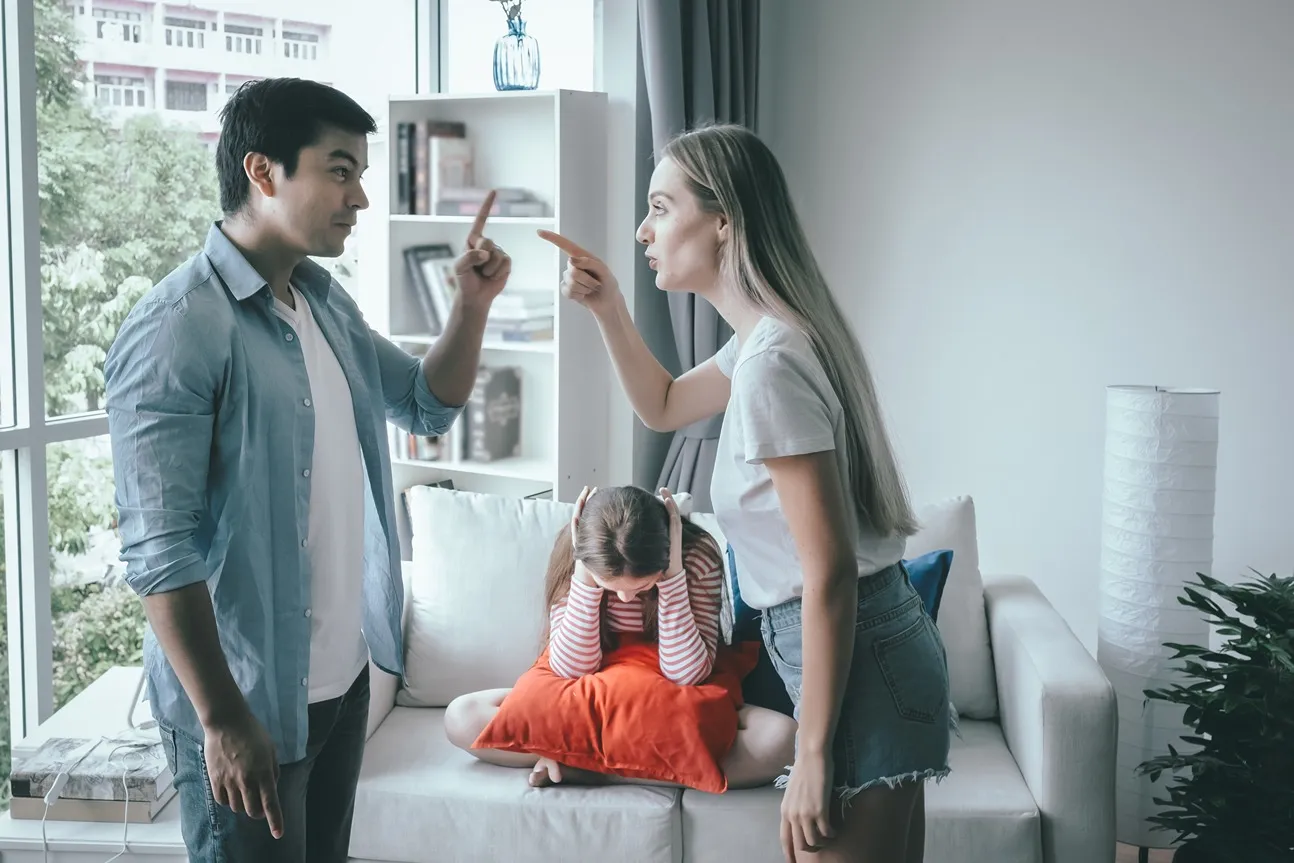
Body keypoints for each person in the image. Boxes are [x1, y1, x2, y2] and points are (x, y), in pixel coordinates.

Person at [103, 78, 510, 863]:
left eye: (360, 174)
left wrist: (471, 305)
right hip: (245, 707)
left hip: (343, 685)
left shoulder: (325, 303)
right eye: (340, 171)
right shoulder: (179, 326)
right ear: (262, 172)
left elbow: (426, 404)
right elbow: (159, 552)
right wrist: (222, 718)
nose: (360, 198)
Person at [538, 124, 952, 863]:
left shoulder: (771, 365)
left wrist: (814, 753)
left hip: (854, 655)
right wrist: (608, 308)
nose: (643, 231)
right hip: (867, 647)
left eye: (661, 207)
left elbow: (828, 573)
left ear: (723, 220)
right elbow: (664, 404)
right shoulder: (768, 339)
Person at [444, 484, 797, 790]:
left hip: (668, 695)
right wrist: (585, 574)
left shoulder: (695, 556)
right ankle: (646, 768)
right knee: (461, 717)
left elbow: (687, 673)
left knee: (782, 739)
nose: (626, 598)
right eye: (612, 587)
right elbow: (571, 668)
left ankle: (589, 769)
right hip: (588, 693)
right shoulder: (577, 555)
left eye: (642, 586)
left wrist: (673, 577)